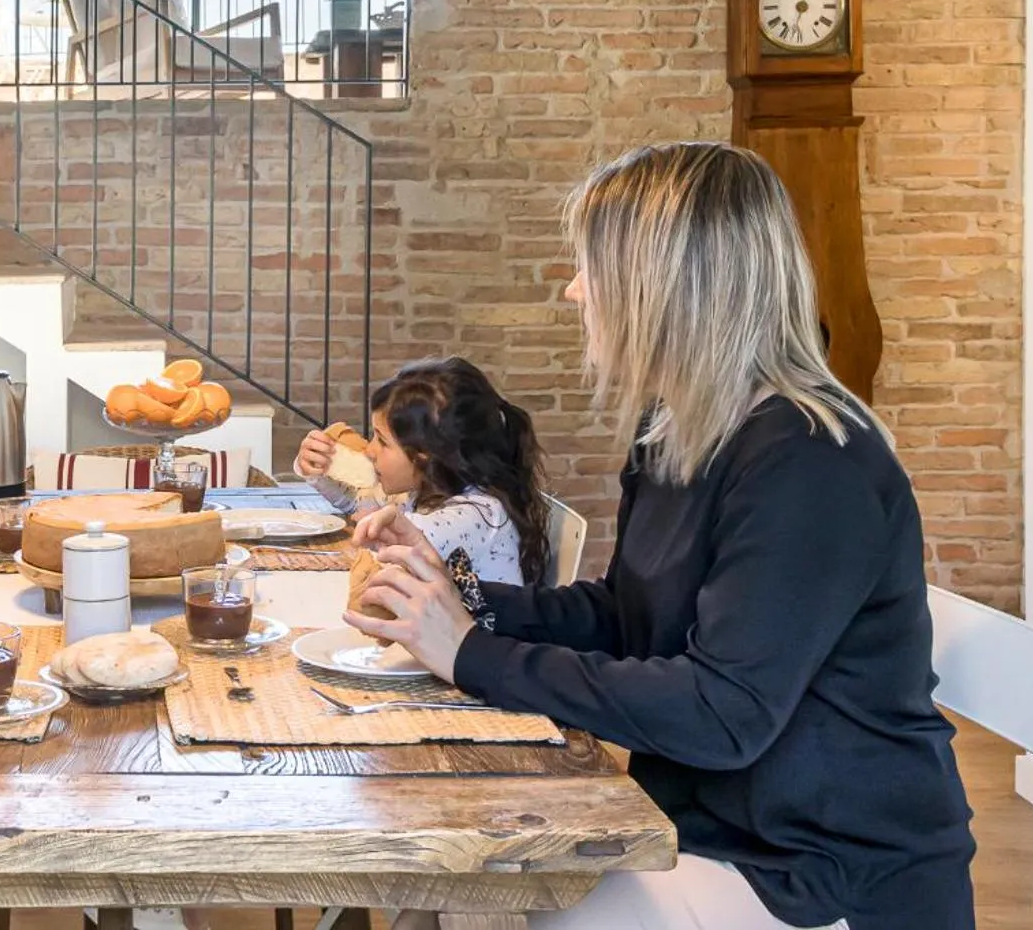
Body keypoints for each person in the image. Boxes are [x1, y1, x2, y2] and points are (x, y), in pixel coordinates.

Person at [350, 142, 975, 930]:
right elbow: (626, 613)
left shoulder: (811, 460)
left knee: (518, 901)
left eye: (592, 266)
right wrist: (458, 596)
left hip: (819, 871)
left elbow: (723, 711)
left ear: (670, 286)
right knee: (469, 886)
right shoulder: (675, 426)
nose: (573, 289)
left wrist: (472, 651)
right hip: (705, 825)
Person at [296, 356, 550, 588]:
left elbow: (377, 539)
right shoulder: (423, 492)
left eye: (382, 441)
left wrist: (370, 521)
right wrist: (318, 470)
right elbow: (358, 505)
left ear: (426, 454)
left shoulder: (475, 516)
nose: (370, 450)